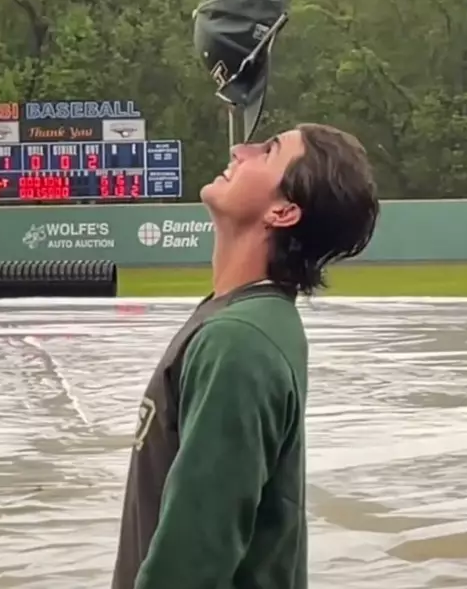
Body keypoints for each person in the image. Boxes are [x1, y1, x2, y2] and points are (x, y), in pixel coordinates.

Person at [111, 122, 380, 589]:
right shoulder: (249, 318)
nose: (240, 148)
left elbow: (194, 558)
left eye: (269, 150)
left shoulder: (239, 341)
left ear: (283, 210)